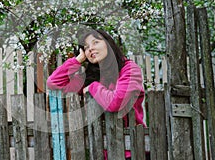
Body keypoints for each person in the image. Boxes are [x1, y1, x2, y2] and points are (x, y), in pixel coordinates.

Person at [46, 29, 147, 160]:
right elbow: (53, 82)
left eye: (95, 42)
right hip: (102, 150)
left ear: (108, 44)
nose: (91, 49)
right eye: (86, 47)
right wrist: (78, 59)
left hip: (132, 150)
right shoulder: (90, 77)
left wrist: (93, 87)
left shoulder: (129, 69)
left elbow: (116, 102)